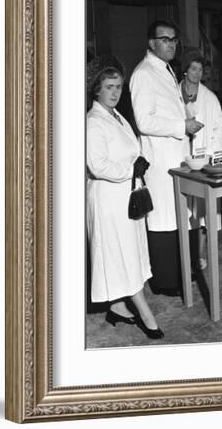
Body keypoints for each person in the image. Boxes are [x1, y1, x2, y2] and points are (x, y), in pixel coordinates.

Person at [86, 64, 163, 339]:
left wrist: (137, 160)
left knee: (126, 252)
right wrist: (132, 169)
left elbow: (126, 149)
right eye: (109, 87)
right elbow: (97, 165)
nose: (115, 92)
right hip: (108, 200)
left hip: (125, 198)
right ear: (97, 88)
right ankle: (145, 313)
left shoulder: (117, 115)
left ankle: (117, 305)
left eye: (118, 86)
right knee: (121, 254)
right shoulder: (93, 121)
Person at [130, 20, 204, 296]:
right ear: (151, 43)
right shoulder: (143, 73)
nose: (171, 44)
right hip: (160, 161)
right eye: (164, 39)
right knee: (163, 220)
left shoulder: (166, 70)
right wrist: (180, 127)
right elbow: (144, 121)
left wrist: (186, 120)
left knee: (179, 217)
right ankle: (165, 281)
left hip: (176, 156)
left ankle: (181, 273)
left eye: (174, 39)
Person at [180, 48, 222, 270]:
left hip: (204, 160)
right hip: (180, 160)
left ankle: (199, 254)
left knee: (203, 211)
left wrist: (211, 154)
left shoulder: (209, 97)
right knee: (183, 210)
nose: (197, 73)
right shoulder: (172, 93)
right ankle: (184, 254)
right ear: (185, 70)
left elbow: (219, 127)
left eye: (200, 69)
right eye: (193, 68)